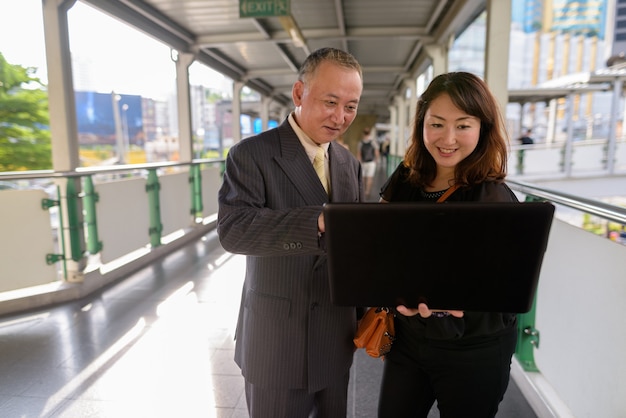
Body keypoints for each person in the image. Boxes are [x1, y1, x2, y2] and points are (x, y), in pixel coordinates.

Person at [217, 47, 364, 418]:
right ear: (299, 93)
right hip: (276, 341)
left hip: (335, 334)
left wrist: (363, 313)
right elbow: (234, 231)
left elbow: (354, 250)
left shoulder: (348, 163)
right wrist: (315, 220)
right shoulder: (251, 155)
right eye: (331, 102)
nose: (341, 116)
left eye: (351, 106)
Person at [377, 72, 519, 418]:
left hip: (474, 349)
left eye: (463, 125)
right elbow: (377, 243)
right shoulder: (406, 178)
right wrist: (390, 291)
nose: (448, 139)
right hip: (409, 339)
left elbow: (511, 288)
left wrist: (462, 303)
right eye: (437, 124)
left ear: (483, 128)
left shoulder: (495, 199)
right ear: (421, 123)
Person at [357, 127, 380, 196]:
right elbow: (376, 152)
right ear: (369, 133)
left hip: (363, 162)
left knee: (363, 177)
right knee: (370, 177)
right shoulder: (373, 142)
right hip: (371, 162)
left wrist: (359, 161)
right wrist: (376, 160)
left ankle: (363, 191)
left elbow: (359, 153)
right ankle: (368, 191)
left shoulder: (360, 143)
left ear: (363, 133)